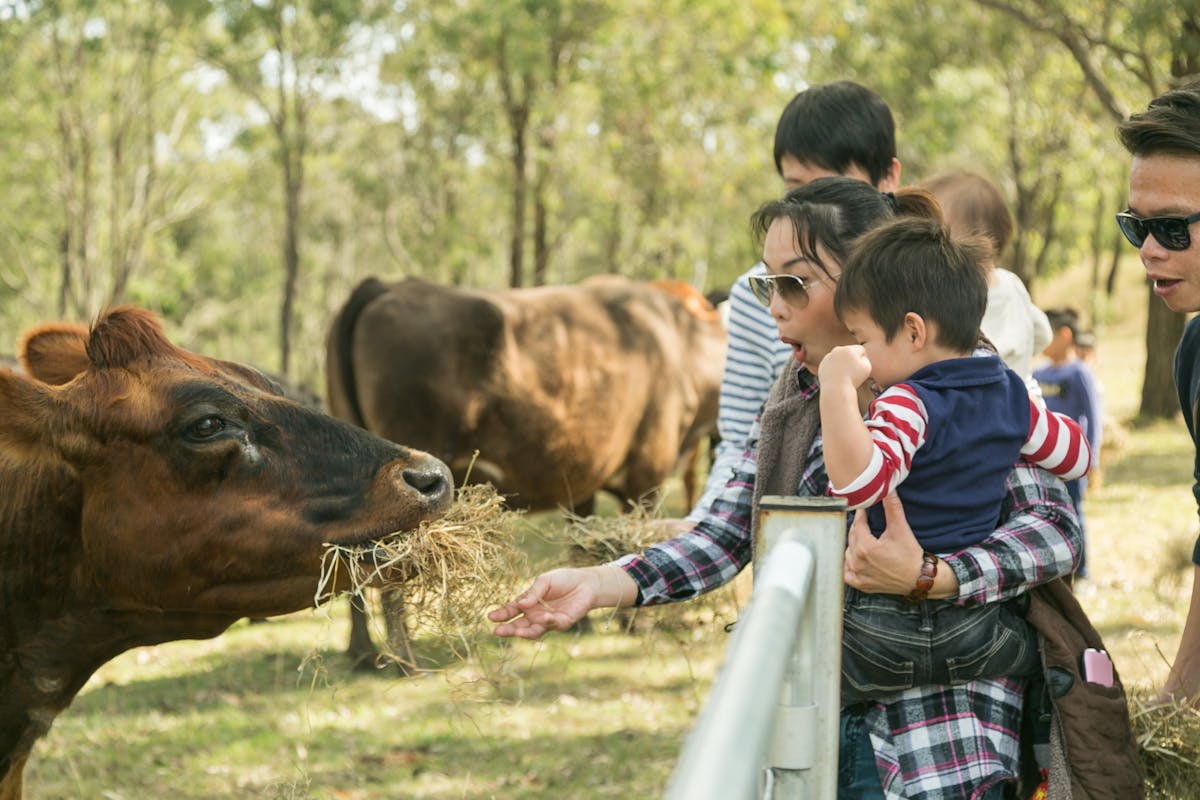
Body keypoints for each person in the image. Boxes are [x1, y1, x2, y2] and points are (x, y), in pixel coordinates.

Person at [490, 177, 1082, 799]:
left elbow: (1054, 529)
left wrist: (934, 574)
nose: (775, 305)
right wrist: (600, 583)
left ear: (865, 283)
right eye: (768, 283)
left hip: (943, 745)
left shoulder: (967, 385)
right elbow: (725, 532)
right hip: (817, 729)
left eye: (795, 282)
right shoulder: (795, 393)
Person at [818, 216, 1093, 701]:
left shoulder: (907, 403)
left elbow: (860, 484)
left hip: (886, 625)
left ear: (913, 332)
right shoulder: (1010, 391)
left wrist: (836, 388)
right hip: (979, 627)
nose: (859, 355)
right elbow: (1075, 458)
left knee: (805, 662)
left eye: (862, 341)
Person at [685, 81, 901, 525]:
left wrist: (934, 574)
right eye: (797, 187)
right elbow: (746, 442)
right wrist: (707, 521)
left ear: (887, 180)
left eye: (833, 186)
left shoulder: (942, 294)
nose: (813, 206)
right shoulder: (757, 298)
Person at [1116, 78, 1200, 706]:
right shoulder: (1194, 352)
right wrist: (1178, 700)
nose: (1147, 250)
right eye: (1135, 226)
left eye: (1172, 228)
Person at [921, 171, 1053, 388]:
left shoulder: (954, 299)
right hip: (1016, 399)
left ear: (977, 244)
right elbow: (1043, 334)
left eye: (932, 236)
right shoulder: (1012, 283)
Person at [1033, 307, 1104, 579]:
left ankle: (1081, 570)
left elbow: (1094, 416)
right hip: (1044, 462)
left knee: (1074, 511)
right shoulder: (1038, 374)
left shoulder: (1079, 373)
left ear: (1064, 335)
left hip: (1073, 462)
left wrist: (1092, 458)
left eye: (1047, 334)